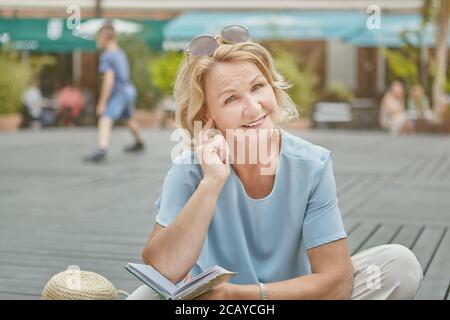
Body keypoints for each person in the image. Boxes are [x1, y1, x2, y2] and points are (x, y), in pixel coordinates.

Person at [128, 26, 423, 300]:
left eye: (258, 87)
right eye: (231, 99)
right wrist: (212, 182)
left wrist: (238, 295)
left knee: (398, 265)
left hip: (285, 298)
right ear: (208, 116)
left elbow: (338, 280)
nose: (254, 107)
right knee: (145, 296)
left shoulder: (311, 164)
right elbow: (164, 270)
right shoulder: (189, 169)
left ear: (272, 87)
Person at [84, 23, 145, 162]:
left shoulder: (107, 56)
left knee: (105, 119)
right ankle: (139, 142)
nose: (97, 41)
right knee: (128, 118)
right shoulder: (120, 53)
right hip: (129, 90)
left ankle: (102, 149)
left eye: (98, 38)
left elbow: (109, 81)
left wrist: (102, 103)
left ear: (105, 38)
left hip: (120, 93)